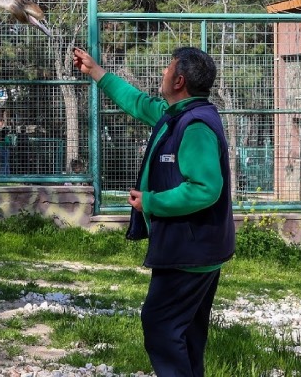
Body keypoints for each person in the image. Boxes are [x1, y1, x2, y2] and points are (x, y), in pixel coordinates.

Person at [72, 45, 233, 377]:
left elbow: (205, 188)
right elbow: (136, 102)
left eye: (167, 68)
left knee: (160, 327)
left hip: (189, 250)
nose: (162, 72)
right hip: (195, 247)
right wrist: (95, 71)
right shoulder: (176, 114)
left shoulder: (195, 125)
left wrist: (152, 202)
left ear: (179, 81)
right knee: (186, 334)